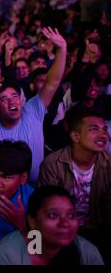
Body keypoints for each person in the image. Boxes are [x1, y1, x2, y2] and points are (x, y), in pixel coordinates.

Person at [0, 27, 67, 182]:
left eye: (15, 96)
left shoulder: (32, 111)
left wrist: (62, 49)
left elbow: (52, 82)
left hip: (38, 190)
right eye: (4, 99)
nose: (12, 100)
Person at [38, 110, 111, 263]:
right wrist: (37, 249)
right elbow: (44, 210)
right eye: (94, 129)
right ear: (75, 136)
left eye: (104, 129)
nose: (103, 134)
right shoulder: (53, 163)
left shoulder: (109, 164)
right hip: (61, 229)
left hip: (98, 229)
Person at [0, 185, 104, 265]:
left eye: (70, 215)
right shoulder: (7, 254)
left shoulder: (86, 252)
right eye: (53, 215)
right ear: (32, 221)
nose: (64, 224)